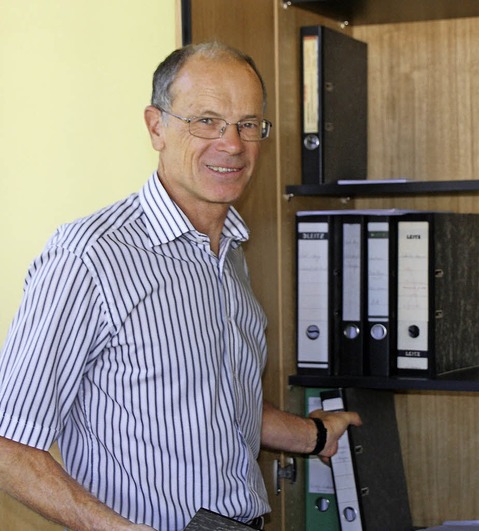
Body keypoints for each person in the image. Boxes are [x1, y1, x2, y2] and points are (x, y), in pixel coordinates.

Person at [0, 41, 361, 531]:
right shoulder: (90, 256)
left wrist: (313, 436)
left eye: (248, 124)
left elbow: (217, 400)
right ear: (156, 127)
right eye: (206, 121)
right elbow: (8, 446)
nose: (232, 144)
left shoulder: (230, 251)